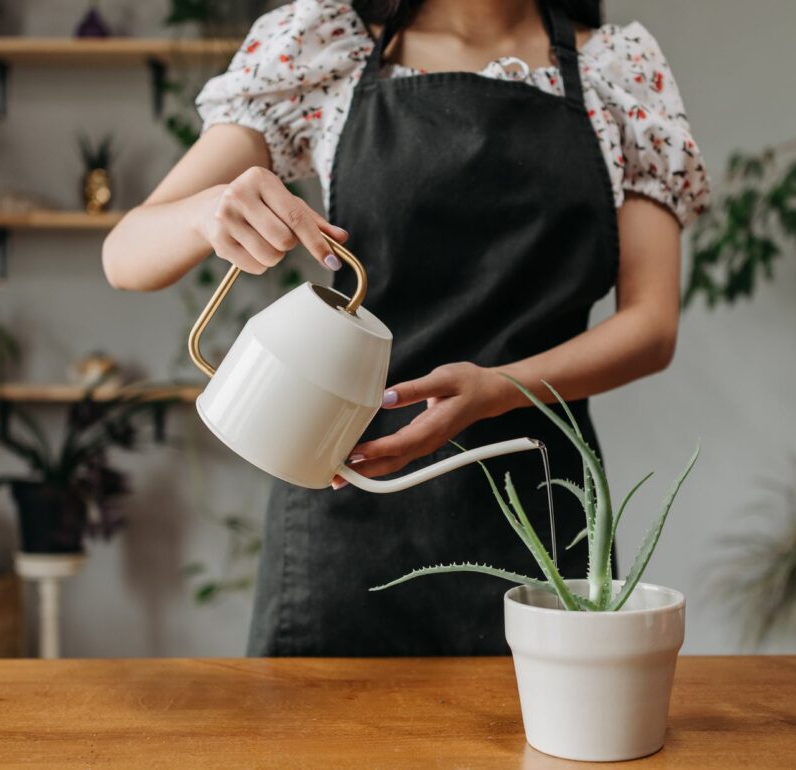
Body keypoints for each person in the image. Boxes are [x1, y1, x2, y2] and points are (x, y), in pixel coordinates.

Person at [102, 0, 708, 656]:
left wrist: (501, 387)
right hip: (346, 509)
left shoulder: (617, 72)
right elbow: (125, 256)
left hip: (538, 518)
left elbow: (651, 325)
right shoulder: (326, 47)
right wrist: (209, 212)